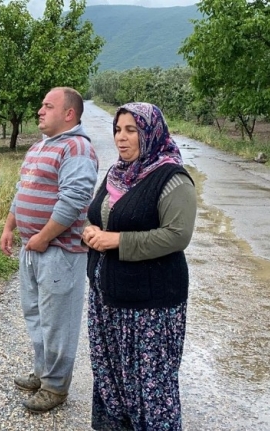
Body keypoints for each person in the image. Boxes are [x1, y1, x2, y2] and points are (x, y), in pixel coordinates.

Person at [83, 102, 197, 430]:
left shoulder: (172, 178)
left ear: (150, 132)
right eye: (118, 130)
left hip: (151, 307)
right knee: (113, 378)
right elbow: (101, 218)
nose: (121, 138)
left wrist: (118, 241)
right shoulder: (116, 173)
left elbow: (177, 236)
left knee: (150, 386)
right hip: (107, 300)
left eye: (131, 130)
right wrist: (90, 234)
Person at [0, 87, 99, 413]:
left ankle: (56, 387)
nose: (39, 111)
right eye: (41, 105)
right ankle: (44, 373)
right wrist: (9, 226)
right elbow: (22, 189)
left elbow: (74, 199)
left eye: (48, 106)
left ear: (69, 113)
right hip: (33, 249)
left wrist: (43, 236)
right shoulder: (39, 146)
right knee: (37, 316)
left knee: (58, 321)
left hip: (59, 251)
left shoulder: (77, 148)